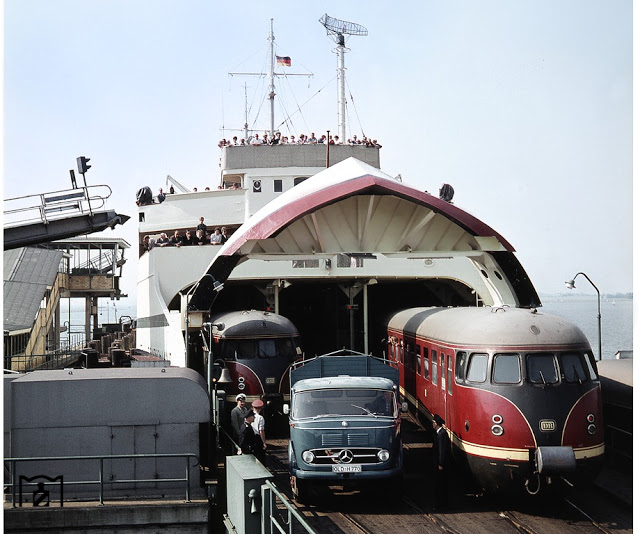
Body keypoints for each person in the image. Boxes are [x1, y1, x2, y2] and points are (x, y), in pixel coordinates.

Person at [432, 414, 450, 511]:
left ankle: (440, 505)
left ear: (436, 423)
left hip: (440, 465)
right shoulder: (440, 433)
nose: (432, 424)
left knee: (440, 485)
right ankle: (440, 504)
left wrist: (440, 464)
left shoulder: (442, 434)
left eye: (433, 422)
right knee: (439, 485)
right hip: (438, 464)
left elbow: (442, 451)